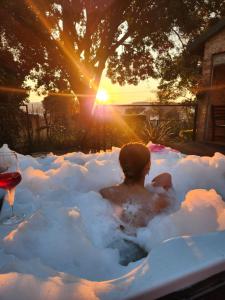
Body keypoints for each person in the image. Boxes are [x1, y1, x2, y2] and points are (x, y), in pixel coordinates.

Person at [100, 142, 173, 230]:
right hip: (143, 240)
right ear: (147, 167)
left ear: (122, 166)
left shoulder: (105, 192)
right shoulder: (155, 202)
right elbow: (170, 194)